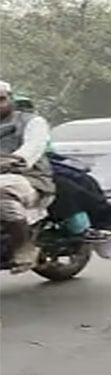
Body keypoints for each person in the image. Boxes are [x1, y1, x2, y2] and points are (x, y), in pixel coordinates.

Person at [0, 82, 55, 273]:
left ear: (10, 99)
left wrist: (15, 160)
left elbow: (33, 147)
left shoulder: (32, 122)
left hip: (28, 177)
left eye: (1, 100)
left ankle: (24, 247)